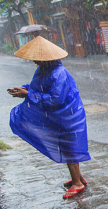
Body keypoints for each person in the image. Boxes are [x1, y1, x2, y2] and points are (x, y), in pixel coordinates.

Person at [7, 36, 91, 199]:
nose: (34, 61)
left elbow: (55, 99)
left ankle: (77, 184)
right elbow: (39, 87)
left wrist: (28, 94)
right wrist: (25, 89)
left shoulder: (59, 73)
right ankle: (78, 177)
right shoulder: (44, 70)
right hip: (59, 116)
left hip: (68, 115)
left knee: (69, 147)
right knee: (66, 145)